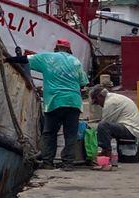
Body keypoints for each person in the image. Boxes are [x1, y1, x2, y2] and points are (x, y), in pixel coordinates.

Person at [9, 39, 89, 169]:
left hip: (54, 101)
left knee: (50, 133)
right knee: (70, 134)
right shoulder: (76, 61)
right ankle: (68, 163)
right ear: (69, 50)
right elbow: (83, 82)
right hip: (73, 102)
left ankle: (48, 162)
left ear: (56, 48)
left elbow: (24, 59)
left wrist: (7, 59)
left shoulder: (47, 57)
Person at [90, 86, 139, 168]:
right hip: (131, 128)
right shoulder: (113, 98)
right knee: (103, 127)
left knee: (103, 126)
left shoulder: (111, 102)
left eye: (97, 101)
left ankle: (106, 152)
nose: (99, 105)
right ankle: (106, 151)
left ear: (100, 96)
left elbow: (105, 123)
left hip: (131, 129)